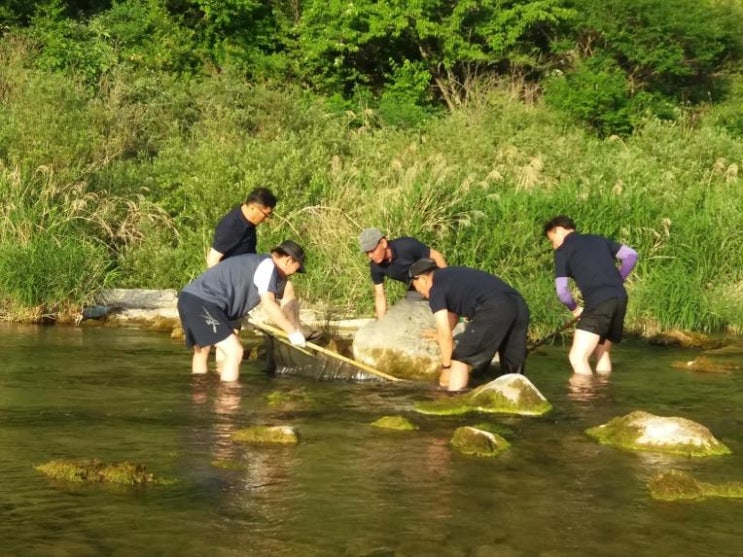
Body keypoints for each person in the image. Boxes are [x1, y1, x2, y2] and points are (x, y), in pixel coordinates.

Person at [177, 240, 307, 383]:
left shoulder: (258, 263)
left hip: (189, 298)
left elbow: (286, 297)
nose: (293, 274)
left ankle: (200, 400)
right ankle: (229, 400)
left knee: (202, 350)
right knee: (234, 351)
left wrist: (240, 315)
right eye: (297, 268)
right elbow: (268, 303)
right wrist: (292, 332)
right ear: (288, 260)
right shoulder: (268, 267)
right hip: (202, 303)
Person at [408, 258, 530, 392]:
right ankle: (516, 405)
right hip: (519, 305)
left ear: (423, 279)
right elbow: (453, 314)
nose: (419, 292)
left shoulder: (436, 289)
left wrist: (446, 368)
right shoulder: (453, 276)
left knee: (461, 359)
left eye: (415, 286)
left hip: (494, 307)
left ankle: (452, 401)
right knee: (512, 372)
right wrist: (439, 334)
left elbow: (445, 333)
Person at [543, 215, 639, 376]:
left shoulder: (562, 251)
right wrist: (618, 279)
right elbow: (631, 255)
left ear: (559, 230)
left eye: (552, 240)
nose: (553, 246)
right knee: (602, 353)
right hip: (620, 298)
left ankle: (586, 400)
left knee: (577, 357)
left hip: (598, 303)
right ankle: (603, 395)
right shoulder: (598, 239)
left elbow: (562, 291)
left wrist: (574, 309)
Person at [358, 227, 447, 319]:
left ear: (383, 243)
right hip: (416, 285)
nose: (370, 256)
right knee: (411, 309)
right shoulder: (375, 267)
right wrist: (382, 323)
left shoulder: (406, 246)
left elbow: (436, 255)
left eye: (372, 251)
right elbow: (380, 295)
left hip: (435, 278)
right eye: (367, 253)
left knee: (442, 301)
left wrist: (446, 282)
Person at [206, 187, 277, 268]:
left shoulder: (247, 221)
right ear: (252, 207)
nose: (266, 218)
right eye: (265, 214)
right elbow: (212, 260)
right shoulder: (231, 226)